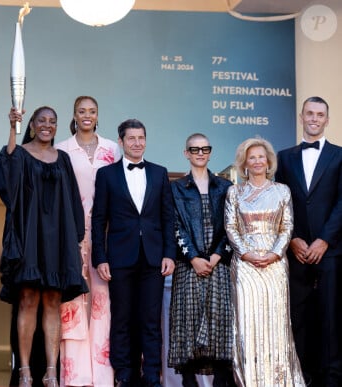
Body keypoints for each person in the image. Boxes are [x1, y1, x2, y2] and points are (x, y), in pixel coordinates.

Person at [0, 106, 88, 387]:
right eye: (41, 121)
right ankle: (24, 370)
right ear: (33, 125)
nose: (47, 125)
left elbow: (73, 200)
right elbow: (7, 176)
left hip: (58, 238)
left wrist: (75, 241)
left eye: (52, 121)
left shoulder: (63, 159)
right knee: (28, 299)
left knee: (52, 301)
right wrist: (13, 127)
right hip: (29, 237)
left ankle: (51, 371)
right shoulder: (21, 154)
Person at [91, 118, 176, 387]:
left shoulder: (160, 172)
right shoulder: (106, 175)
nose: (137, 143)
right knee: (122, 317)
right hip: (119, 257)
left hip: (153, 257)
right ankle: (124, 373)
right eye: (132, 138)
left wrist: (169, 254)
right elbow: (98, 219)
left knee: (151, 319)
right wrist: (100, 257)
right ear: (121, 141)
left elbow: (168, 218)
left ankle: (152, 374)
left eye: (141, 138)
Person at [224, 137, 304, 386]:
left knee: (276, 324)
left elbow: (287, 227)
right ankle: (249, 381)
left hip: (275, 265)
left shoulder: (282, 190)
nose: (257, 161)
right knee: (247, 325)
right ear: (244, 163)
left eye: (261, 156)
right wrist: (246, 253)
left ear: (268, 161)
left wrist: (275, 253)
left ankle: (279, 381)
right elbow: (230, 226)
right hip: (245, 266)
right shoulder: (234, 192)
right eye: (252, 157)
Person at [275, 96, 342, 386]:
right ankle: (302, 377)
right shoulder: (284, 157)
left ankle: (333, 377)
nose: (314, 118)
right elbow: (280, 203)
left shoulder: (340, 156)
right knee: (299, 317)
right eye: (309, 113)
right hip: (297, 251)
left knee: (331, 318)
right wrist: (292, 240)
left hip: (332, 251)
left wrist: (325, 241)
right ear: (301, 117)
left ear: (327, 120)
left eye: (320, 114)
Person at [55, 96, 120, 387]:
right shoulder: (61, 150)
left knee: (103, 302)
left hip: (105, 234)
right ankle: (75, 375)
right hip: (72, 234)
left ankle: (104, 376)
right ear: (74, 114)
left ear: (97, 115)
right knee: (72, 302)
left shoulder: (113, 149)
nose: (87, 116)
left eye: (92, 111)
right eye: (81, 111)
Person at [167, 133, 234, 387]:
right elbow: (174, 226)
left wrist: (216, 256)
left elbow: (231, 226)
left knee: (219, 323)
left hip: (219, 264)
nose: (200, 153)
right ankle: (189, 383)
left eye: (205, 148)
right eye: (194, 149)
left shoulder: (225, 187)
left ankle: (221, 383)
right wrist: (193, 257)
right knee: (188, 324)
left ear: (210, 151)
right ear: (186, 153)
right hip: (187, 266)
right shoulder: (175, 188)